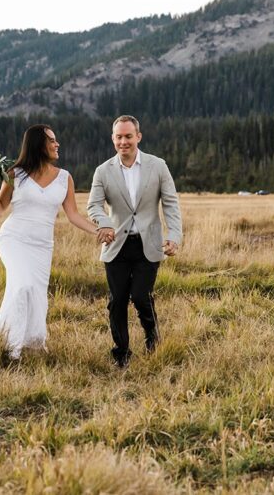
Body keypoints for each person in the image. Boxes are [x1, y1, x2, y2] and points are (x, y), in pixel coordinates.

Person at [0, 124, 100, 359]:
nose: (57, 144)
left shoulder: (65, 178)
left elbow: (73, 215)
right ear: (38, 144)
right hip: (14, 239)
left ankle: (31, 343)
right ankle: (10, 347)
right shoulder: (16, 174)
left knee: (35, 293)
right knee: (22, 285)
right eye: (52, 140)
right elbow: (0, 209)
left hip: (42, 246)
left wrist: (99, 231)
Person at [87, 115, 183, 368]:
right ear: (113, 139)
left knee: (141, 297)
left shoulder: (158, 166)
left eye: (128, 136)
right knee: (117, 300)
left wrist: (174, 236)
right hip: (116, 245)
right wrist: (104, 223)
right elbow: (93, 205)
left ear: (138, 137)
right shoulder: (103, 171)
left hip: (148, 244)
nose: (123, 141)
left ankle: (153, 339)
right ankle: (121, 353)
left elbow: (171, 203)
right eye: (118, 137)